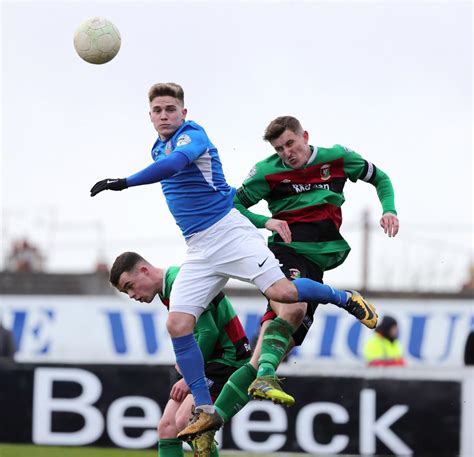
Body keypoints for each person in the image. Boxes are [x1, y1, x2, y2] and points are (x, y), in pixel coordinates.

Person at [90, 82, 376, 441]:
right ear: (150, 116)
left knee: (285, 293)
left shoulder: (191, 137)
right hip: (199, 247)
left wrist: (125, 183)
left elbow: (176, 165)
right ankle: (206, 409)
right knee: (177, 325)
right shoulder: (157, 146)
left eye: (170, 109)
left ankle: (344, 298)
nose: (164, 115)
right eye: (157, 111)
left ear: (183, 113)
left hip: (228, 233)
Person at [232, 115, 399, 401]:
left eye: (290, 144)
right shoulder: (265, 172)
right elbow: (232, 206)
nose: (287, 153)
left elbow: (380, 178)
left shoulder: (337, 158)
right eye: (279, 149)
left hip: (316, 264)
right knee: (292, 305)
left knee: (272, 350)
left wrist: (389, 209)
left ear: (305, 136)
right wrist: (265, 221)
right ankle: (344, 298)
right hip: (286, 251)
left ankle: (216, 418)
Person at [109, 251, 253, 457]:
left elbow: (208, 332)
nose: (131, 295)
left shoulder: (181, 283)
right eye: (126, 292)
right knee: (167, 427)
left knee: (187, 421)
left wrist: (189, 377)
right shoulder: (169, 289)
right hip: (209, 361)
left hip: (227, 360)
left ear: (144, 270)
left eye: (129, 286)